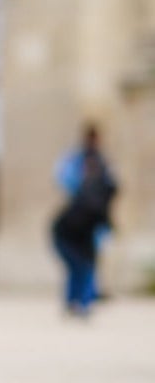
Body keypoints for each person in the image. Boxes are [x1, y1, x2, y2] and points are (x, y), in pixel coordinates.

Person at [54, 125, 117, 303]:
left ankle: (86, 297)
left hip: (90, 218)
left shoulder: (102, 161)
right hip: (81, 216)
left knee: (89, 259)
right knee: (81, 261)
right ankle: (80, 298)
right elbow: (64, 179)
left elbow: (112, 186)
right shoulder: (76, 160)